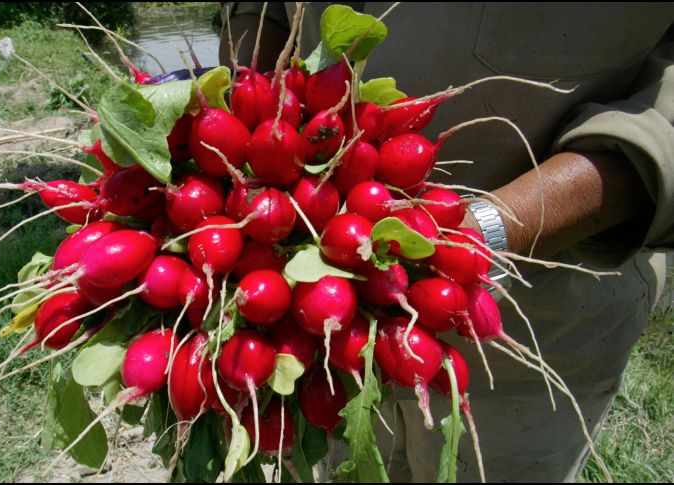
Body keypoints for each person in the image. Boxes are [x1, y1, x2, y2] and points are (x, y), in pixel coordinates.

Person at [221, 3, 674, 482]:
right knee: (347, 460)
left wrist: (485, 232)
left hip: (542, 296)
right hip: (325, 351)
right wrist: (250, 92)